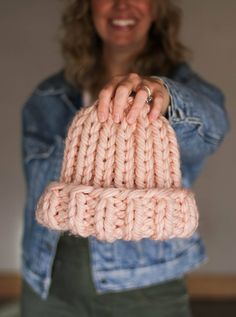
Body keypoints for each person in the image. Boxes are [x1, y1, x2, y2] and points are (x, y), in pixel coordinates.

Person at [20, 0, 230, 316]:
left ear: (157, 8)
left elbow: (212, 130)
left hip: (145, 288)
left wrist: (163, 94)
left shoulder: (191, 91)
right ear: (88, 7)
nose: (122, 5)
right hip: (48, 282)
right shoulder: (47, 96)